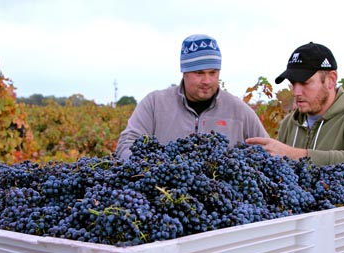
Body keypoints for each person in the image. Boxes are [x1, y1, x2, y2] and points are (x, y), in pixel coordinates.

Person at [246, 42, 344, 182]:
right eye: (293, 83)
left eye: (304, 83)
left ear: (331, 80)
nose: (296, 92)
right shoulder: (289, 124)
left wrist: (295, 155)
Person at [115, 34, 269, 159]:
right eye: (199, 73)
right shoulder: (155, 104)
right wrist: (148, 169)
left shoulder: (239, 111)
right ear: (184, 72)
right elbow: (127, 143)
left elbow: (268, 151)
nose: (207, 81)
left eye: (213, 73)